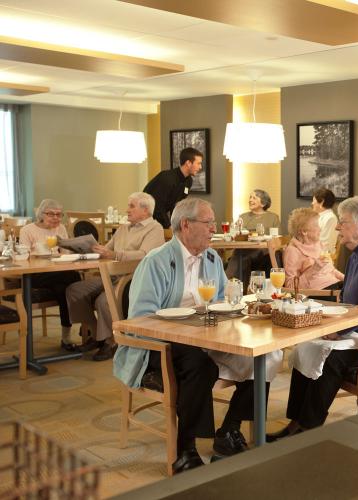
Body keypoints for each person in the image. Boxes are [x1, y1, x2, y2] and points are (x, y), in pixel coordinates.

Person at [113, 198, 281, 474]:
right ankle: (185, 449)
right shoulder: (156, 262)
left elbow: (219, 302)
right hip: (160, 344)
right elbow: (140, 320)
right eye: (209, 223)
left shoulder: (212, 258)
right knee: (198, 364)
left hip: (204, 337)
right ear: (186, 224)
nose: (214, 228)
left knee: (265, 352)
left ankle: (228, 430)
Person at [269, 195, 358, 440]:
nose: (337, 227)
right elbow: (347, 298)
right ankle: (295, 423)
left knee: (332, 358)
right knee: (307, 346)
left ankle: (308, 429)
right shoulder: (357, 252)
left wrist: (339, 330)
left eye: (343, 222)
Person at [65, 192, 164, 361]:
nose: (127, 210)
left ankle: (111, 342)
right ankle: (97, 335)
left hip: (133, 277)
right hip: (110, 273)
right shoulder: (123, 228)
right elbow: (107, 249)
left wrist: (114, 254)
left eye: (132, 206)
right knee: (75, 290)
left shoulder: (155, 228)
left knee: (104, 301)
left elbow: (145, 255)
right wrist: (88, 249)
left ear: (146, 210)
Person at [19, 199, 81, 351]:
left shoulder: (60, 228)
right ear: (41, 214)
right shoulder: (27, 230)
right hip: (35, 275)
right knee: (73, 278)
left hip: (57, 274)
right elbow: (23, 256)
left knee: (63, 289)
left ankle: (66, 338)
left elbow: (65, 253)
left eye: (59, 215)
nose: (56, 218)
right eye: (51, 214)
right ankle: (82, 327)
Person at [227, 189, 280, 285]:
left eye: (254, 198)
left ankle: (272, 288)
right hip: (245, 250)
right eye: (250, 197)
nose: (250, 200)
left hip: (264, 252)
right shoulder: (243, 217)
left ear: (263, 203)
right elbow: (235, 234)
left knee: (275, 254)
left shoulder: (273, 217)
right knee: (239, 254)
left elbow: (275, 237)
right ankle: (232, 287)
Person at [283, 207, 343, 290]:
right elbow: (291, 287)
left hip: (334, 285)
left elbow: (330, 270)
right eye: (316, 225)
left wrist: (345, 279)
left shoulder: (317, 244)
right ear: (304, 232)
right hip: (320, 293)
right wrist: (314, 269)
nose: (320, 229)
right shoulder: (293, 251)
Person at [142, 147, 203, 228]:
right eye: (198, 163)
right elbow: (157, 206)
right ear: (188, 163)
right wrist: (168, 226)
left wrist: (177, 226)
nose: (200, 167)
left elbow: (177, 206)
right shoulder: (167, 178)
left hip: (159, 221)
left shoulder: (188, 181)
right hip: (145, 220)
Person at [310, 188, 338, 253]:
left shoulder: (330, 218)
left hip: (323, 256)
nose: (312, 203)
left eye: (314, 200)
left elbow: (325, 245)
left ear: (322, 201)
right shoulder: (320, 216)